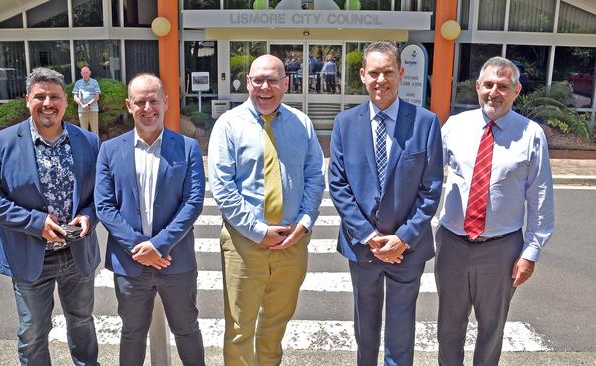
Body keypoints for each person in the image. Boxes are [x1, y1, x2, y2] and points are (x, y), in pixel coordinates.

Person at [0, 67, 101, 365]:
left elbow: (101, 195)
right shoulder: (1, 143)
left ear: (66, 101)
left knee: (82, 323)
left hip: (76, 253)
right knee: (33, 332)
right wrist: (35, 223)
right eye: (40, 96)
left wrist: (88, 217)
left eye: (54, 96)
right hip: (29, 255)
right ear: (27, 100)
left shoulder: (88, 142)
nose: (48, 103)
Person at [328, 40, 443, 366]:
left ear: (401, 73)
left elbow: (431, 188)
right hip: (362, 247)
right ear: (363, 75)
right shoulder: (345, 124)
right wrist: (368, 235)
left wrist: (403, 238)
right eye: (374, 73)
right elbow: (338, 185)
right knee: (365, 327)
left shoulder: (425, 122)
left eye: (388, 72)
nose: (381, 80)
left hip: (407, 249)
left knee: (401, 329)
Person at [436, 56, 554, 366]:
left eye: (503, 86)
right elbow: (428, 178)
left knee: (491, 328)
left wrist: (531, 252)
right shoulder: (455, 126)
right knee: (449, 327)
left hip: (502, 249)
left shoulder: (530, 134)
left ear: (516, 91)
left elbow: (540, 197)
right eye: (488, 85)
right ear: (477, 87)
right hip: (452, 243)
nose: (494, 92)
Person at [208, 54, 325, 366]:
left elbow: (314, 176)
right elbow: (223, 187)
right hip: (244, 244)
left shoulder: (302, 124)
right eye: (258, 79)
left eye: (273, 80)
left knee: (275, 325)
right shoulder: (228, 125)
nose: (265, 87)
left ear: (286, 84)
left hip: (292, 242)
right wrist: (259, 232)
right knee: (239, 329)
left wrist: (305, 221)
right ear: (248, 82)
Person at [94, 73, 205, 366]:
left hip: (175, 261)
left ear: (166, 103)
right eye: (140, 102)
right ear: (129, 105)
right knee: (132, 332)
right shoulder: (109, 150)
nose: (147, 108)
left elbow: (193, 203)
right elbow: (104, 206)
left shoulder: (187, 147)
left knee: (186, 329)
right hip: (130, 263)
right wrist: (139, 247)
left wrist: (159, 246)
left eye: (153, 101)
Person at [73, 66, 101, 135]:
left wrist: (88, 105)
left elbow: (97, 97)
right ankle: (85, 145)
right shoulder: (78, 83)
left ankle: (95, 145)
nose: (85, 74)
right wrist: (83, 106)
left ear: (90, 73)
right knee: (84, 131)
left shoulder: (94, 82)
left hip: (93, 109)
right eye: (84, 72)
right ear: (81, 74)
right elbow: (75, 97)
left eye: (87, 72)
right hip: (82, 109)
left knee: (95, 130)